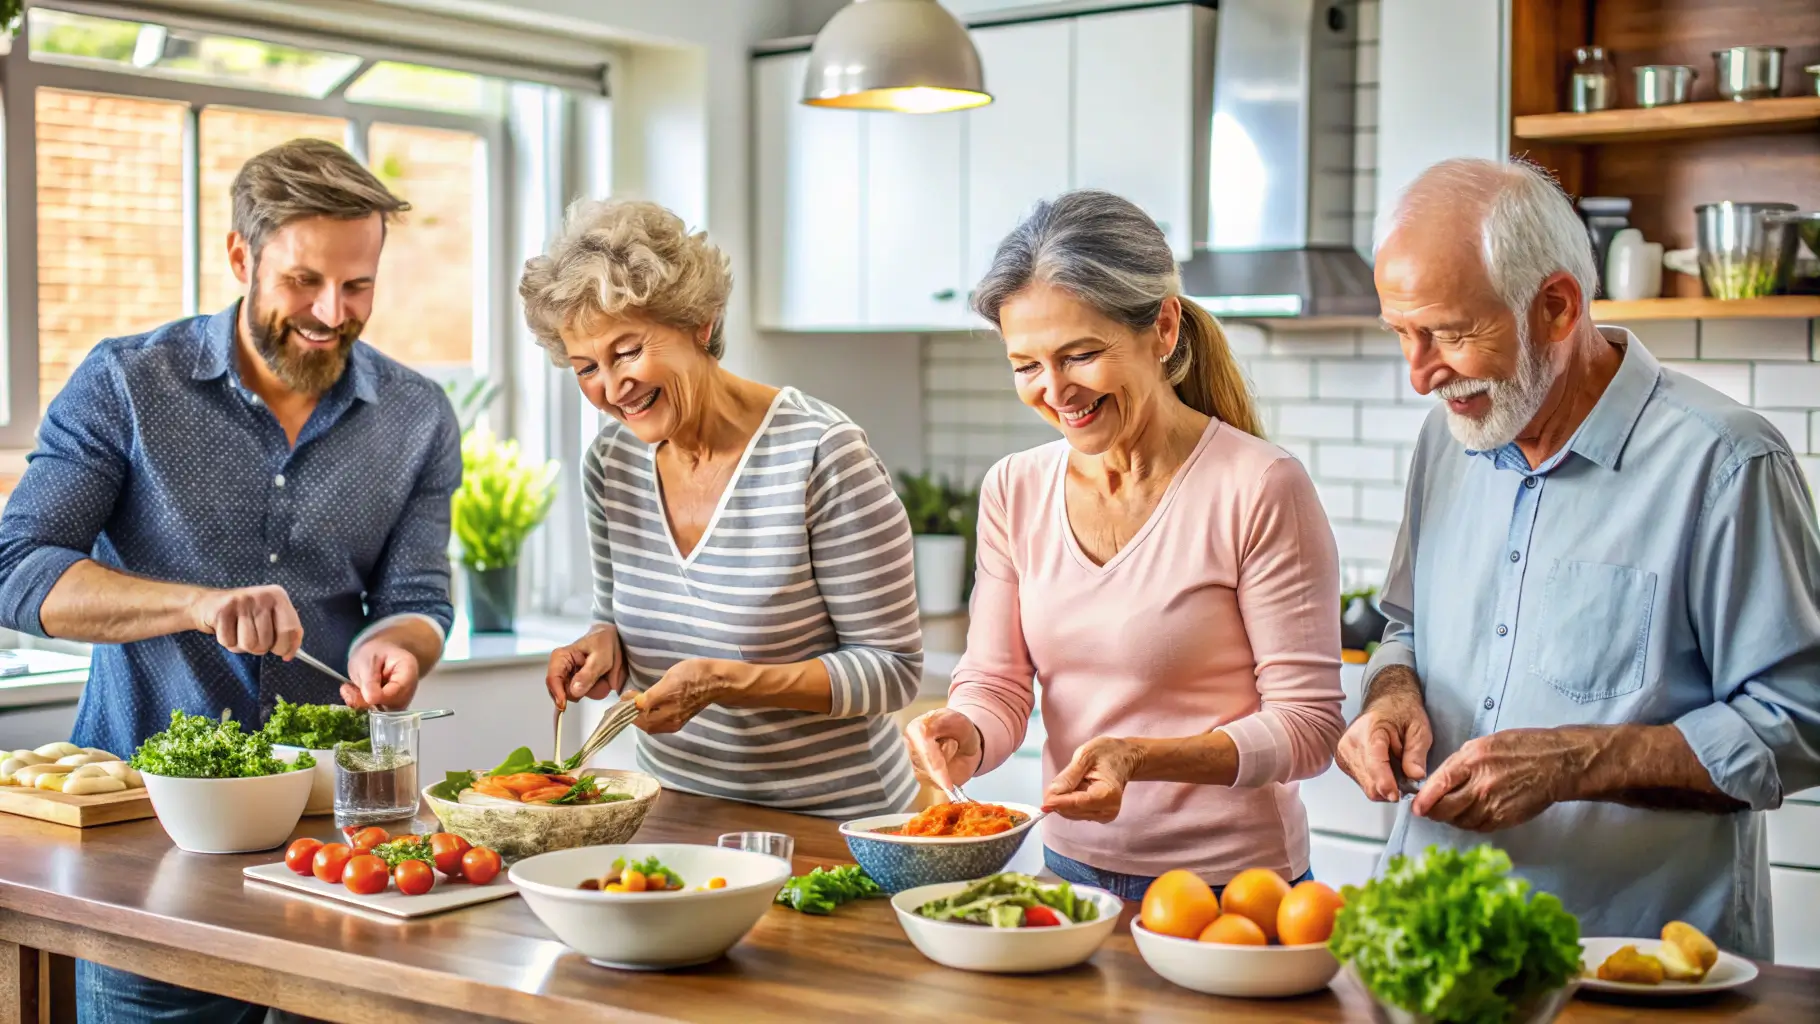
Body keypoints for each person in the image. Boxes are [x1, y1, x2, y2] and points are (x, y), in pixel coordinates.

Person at [0, 139, 460, 1019]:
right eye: (304, 281)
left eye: (358, 286)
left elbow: (417, 598)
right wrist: (196, 605)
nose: (333, 311)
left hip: (334, 848)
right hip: (145, 842)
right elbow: (19, 569)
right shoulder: (128, 384)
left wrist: (397, 650)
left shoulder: (415, 416)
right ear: (241, 256)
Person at [1335, 157, 1820, 958]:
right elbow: (1405, 631)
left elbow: (1801, 719)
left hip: (1635, 963)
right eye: (1402, 335)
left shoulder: (1725, 463)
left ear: (1556, 308)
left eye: (1451, 335)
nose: (1420, 374)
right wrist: (1389, 696)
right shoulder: (1448, 440)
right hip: (1437, 942)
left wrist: (1581, 761)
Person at [902, 190, 1346, 900]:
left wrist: (1139, 758)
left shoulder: (1259, 486)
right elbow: (997, 685)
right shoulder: (1014, 489)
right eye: (1025, 365)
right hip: (1069, 877)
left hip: (1235, 891)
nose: (1055, 392)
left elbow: (1309, 727)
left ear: (1163, 329)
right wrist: (965, 729)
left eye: (1080, 355)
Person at [529, 199, 923, 818]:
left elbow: (893, 672)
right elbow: (615, 612)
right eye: (586, 367)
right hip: (675, 809)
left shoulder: (820, 454)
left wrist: (723, 685)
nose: (610, 387)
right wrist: (602, 644)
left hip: (833, 824)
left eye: (627, 351)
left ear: (701, 324)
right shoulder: (612, 461)